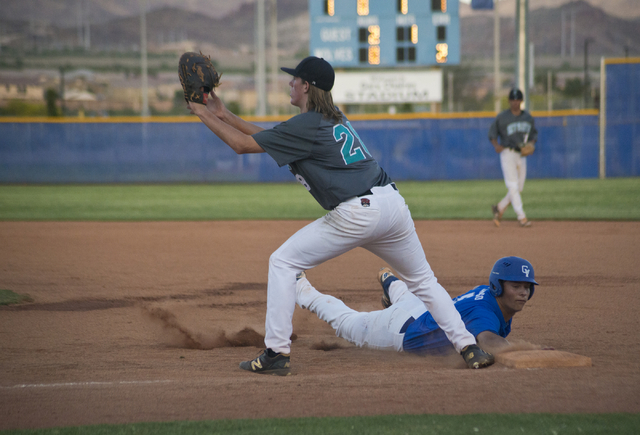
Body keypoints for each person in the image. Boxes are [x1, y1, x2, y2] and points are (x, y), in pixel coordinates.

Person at [187, 56, 493, 376]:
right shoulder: (330, 118)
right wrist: (222, 113)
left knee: (282, 262)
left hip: (358, 212)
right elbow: (268, 138)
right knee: (425, 282)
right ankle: (469, 347)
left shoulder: (306, 124)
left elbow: (242, 146)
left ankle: (276, 352)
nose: (290, 83)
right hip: (393, 206)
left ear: (306, 86)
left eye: (295, 80)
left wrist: (200, 112)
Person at [295, 256, 539, 360]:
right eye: (516, 286)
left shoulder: (485, 293)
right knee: (345, 321)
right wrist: (528, 352)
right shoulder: (484, 312)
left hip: (421, 310)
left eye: (527, 287)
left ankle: (390, 282)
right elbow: (487, 340)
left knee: (408, 297)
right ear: (498, 286)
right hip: (396, 331)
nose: (523, 292)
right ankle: (299, 287)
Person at [488, 88, 538, 228]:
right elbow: (492, 133)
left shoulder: (528, 118)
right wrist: (496, 145)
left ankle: (499, 208)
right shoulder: (502, 117)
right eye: (513, 100)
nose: (515, 102)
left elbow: (533, 136)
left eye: (518, 100)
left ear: (521, 101)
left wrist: (531, 145)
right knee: (513, 186)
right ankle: (521, 217)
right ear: (509, 101)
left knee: (518, 187)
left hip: (521, 155)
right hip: (507, 153)